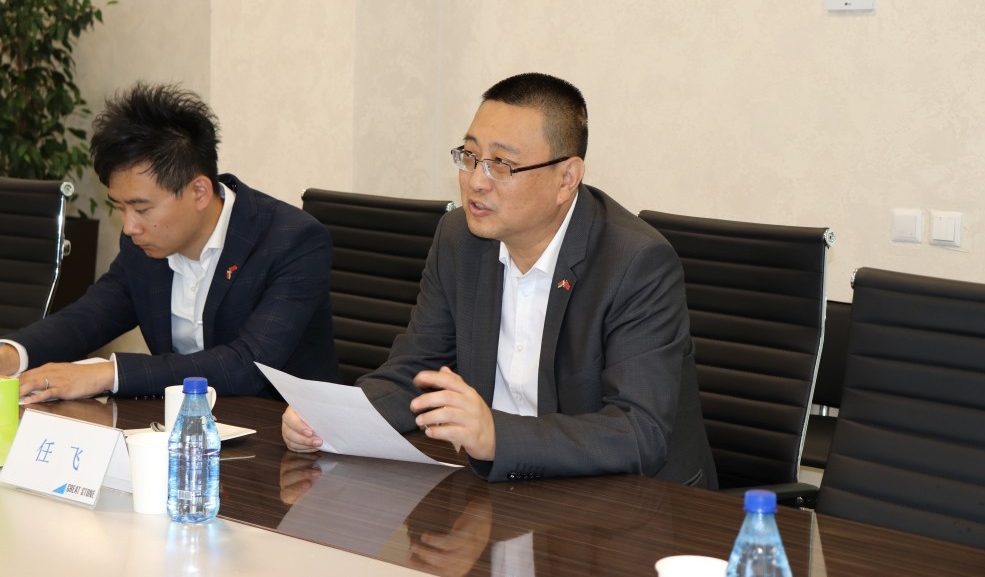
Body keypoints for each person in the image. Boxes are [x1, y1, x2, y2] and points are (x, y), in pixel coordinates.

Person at [283, 72, 716, 487]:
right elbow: (417, 371)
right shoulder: (460, 239)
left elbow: (638, 432)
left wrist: (497, 436)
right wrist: (331, 417)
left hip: (631, 507)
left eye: (501, 164)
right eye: (470, 156)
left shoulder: (634, 262)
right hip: (502, 490)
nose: (475, 181)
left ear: (566, 178)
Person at [0, 82, 340, 400]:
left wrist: (108, 374)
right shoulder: (144, 243)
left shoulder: (291, 241)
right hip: (179, 425)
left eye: (141, 208)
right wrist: (12, 353)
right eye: (119, 207)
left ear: (199, 192)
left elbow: (247, 366)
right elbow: (90, 317)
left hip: (288, 430)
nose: (129, 226)